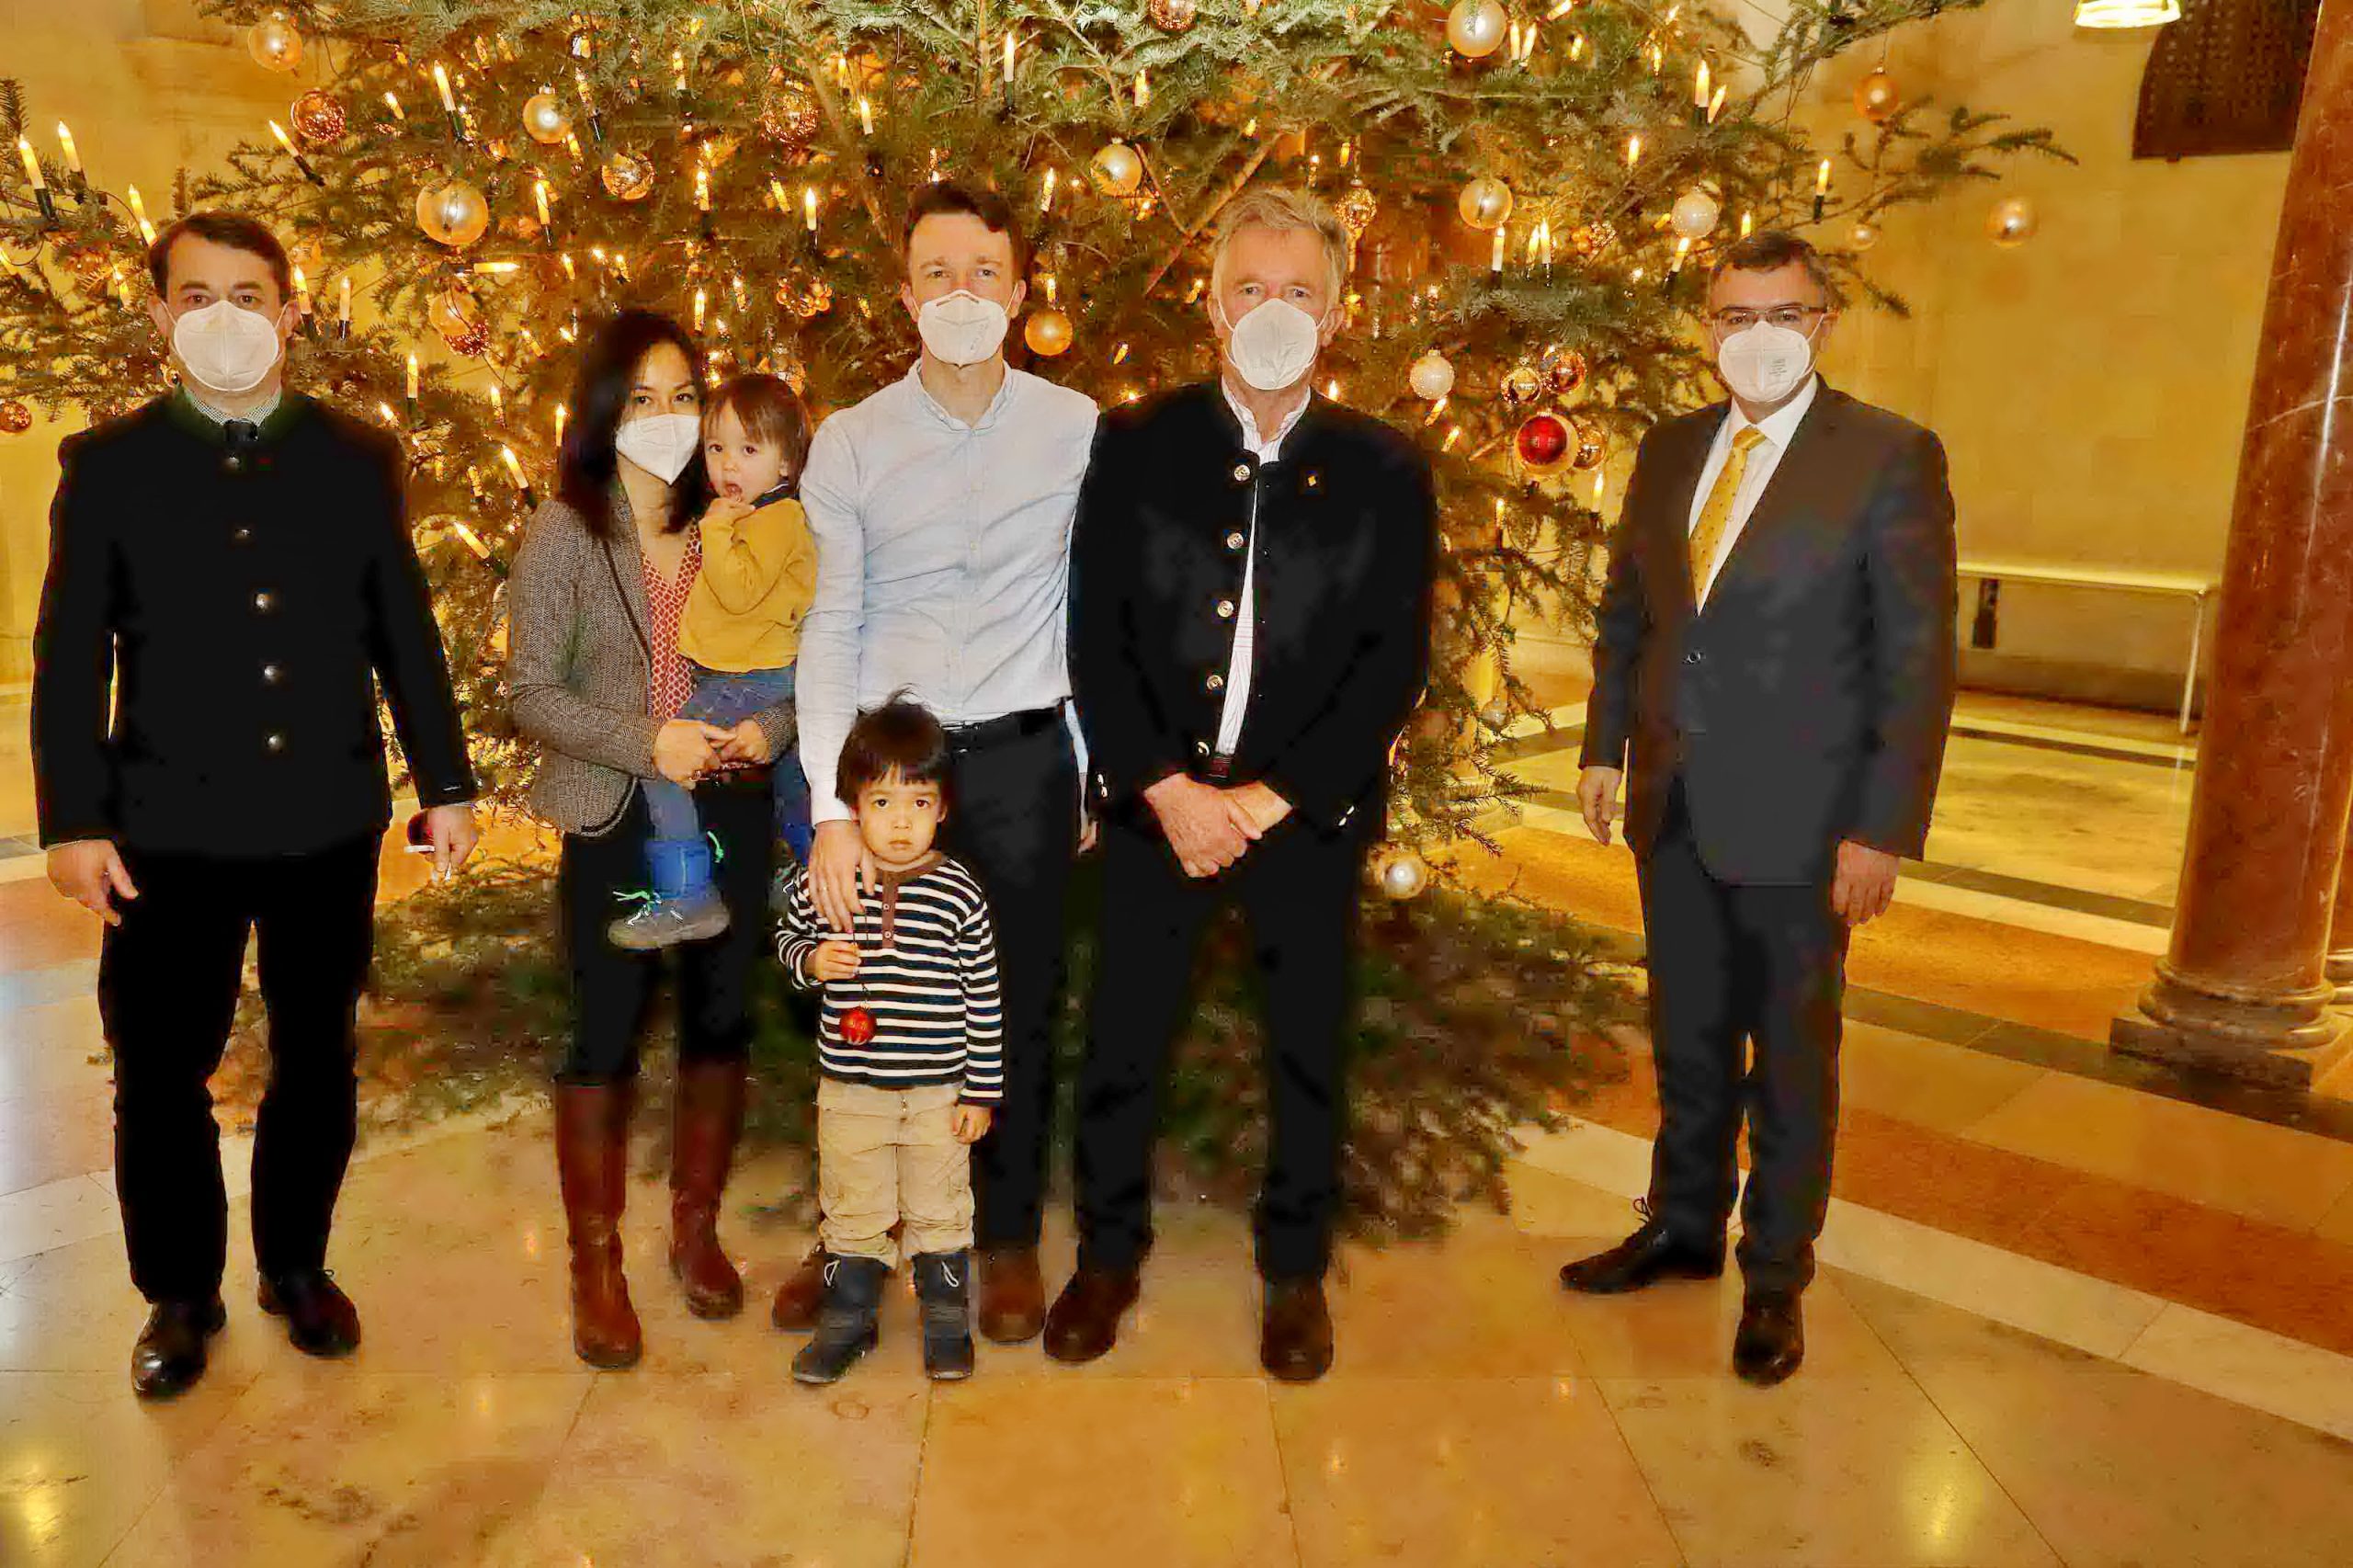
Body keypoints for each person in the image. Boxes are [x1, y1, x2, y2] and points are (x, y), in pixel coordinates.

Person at [31, 210, 479, 1400]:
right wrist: (72, 820)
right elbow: (70, 657)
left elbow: (403, 631)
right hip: (163, 829)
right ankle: (180, 1293)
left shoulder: (356, 456)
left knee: (316, 1056)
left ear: (291, 311)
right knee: (158, 1072)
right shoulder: (109, 465)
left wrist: (445, 782)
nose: (222, 317)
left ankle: (296, 1264)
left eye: (247, 294)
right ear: (158, 314)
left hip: (326, 816)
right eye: (195, 295)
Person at [1559, 231, 1958, 1387]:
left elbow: (1916, 659)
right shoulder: (1669, 448)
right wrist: (1602, 746)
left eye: (1782, 313)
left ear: (1822, 323)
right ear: (1707, 329)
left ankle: (1775, 1273)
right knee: (1687, 1036)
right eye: (1735, 315)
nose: (1758, 337)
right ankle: (1683, 1222)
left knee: (1789, 1055)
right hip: (1673, 803)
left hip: (1805, 818)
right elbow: (1629, 614)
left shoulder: (1887, 456)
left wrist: (1881, 827)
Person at [1053, 187, 1437, 1383]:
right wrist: (1166, 788)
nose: (1276, 310)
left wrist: (1271, 802)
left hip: (1305, 820)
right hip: (1156, 809)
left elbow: (1392, 665)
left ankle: (1295, 1269)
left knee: (1306, 1050)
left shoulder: (1386, 468)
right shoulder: (1134, 442)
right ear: (1213, 306)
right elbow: (1094, 635)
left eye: (1300, 291)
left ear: (1338, 311)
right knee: (1123, 1039)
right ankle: (1106, 1254)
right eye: (1253, 288)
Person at [781, 180, 1098, 1343]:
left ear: (1019, 291)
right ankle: (853, 1239)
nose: (960, 293)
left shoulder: (1076, 428)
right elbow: (830, 624)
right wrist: (830, 809)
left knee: (1010, 1002)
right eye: (935, 272)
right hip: (889, 770)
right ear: (904, 294)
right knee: (868, 1000)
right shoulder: (853, 440)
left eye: (983, 272)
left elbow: (1093, 608)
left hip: (1020, 758)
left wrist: (1090, 770)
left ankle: (999, 1237)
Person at [506, 310, 792, 1369]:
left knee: (719, 1018)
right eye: (642, 398)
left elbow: (796, 651)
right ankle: (596, 1265)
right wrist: (646, 739)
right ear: (603, 408)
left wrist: (771, 729)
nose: (667, 417)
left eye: (683, 397)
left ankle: (694, 1229)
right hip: (613, 812)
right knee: (606, 1032)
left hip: (731, 804)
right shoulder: (565, 530)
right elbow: (531, 691)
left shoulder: (738, 518)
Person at [776, 698, 1001, 1385]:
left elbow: (983, 996)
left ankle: (945, 1318)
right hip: (852, 1090)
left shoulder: (959, 893)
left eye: (918, 803)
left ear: (943, 809)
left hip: (938, 1093)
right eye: (881, 803)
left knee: (941, 1208)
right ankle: (849, 1318)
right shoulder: (830, 882)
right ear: (853, 806)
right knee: (853, 1205)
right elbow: (788, 939)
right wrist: (813, 961)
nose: (900, 822)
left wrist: (981, 1091)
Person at [607, 371, 819, 949]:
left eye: (749, 450)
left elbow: (738, 590)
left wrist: (717, 529)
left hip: (749, 677)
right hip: (753, 672)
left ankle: (688, 894)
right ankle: (810, 878)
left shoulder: (777, 518)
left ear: (787, 462)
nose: (728, 465)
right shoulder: (757, 514)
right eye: (717, 448)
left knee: (661, 762)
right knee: (792, 783)